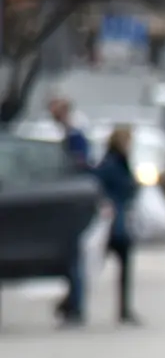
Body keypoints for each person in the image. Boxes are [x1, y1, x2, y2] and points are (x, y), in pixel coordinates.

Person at [49, 96, 91, 325]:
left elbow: (80, 167)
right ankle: (71, 303)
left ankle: (75, 305)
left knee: (74, 258)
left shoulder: (74, 136)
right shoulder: (65, 134)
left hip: (71, 204)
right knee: (70, 259)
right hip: (66, 202)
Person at [92, 125, 141, 325]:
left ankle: (124, 309)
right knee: (92, 265)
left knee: (115, 267)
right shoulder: (113, 164)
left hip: (117, 224)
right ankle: (123, 310)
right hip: (113, 225)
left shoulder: (116, 162)